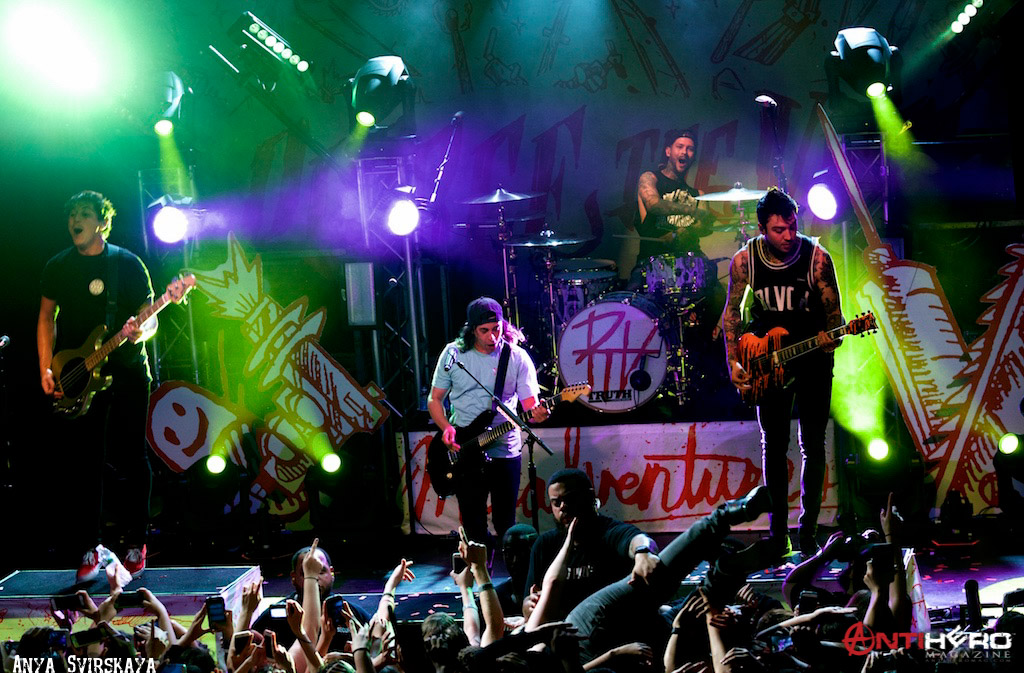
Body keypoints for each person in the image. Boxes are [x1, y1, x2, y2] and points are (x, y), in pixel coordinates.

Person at [37, 190, 158, 582]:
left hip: (126, 371)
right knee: (84, 462)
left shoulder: (127, 264)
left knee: (132, 456)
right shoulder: (58, 266)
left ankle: (136, 543)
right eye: (72, 214)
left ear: (103, 222)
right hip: (78, 376)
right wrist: (45, 368)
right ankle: (89, 547)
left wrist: (139, 333)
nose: (76, 220)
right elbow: (46, 316)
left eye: (85, 213)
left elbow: (150, 318)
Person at [722, 187, 843, 556]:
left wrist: (832, 337)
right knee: (773, 446)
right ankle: (778, 534)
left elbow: (835, 318)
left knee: (813, 444)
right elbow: (731, 313)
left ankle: (809, 532)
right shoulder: (745, 260)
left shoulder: (817, 258)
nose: (789, 235)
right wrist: (733, 361)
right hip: (768, 359)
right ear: (761, 229)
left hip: (811, 357)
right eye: (779, 229)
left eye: (792, 226)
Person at [427, 297, 549, 554]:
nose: (492, 336)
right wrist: (446, 427)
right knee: (473, 525)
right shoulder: (453, 354)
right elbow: (435, 399)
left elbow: (530, 407)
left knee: (506, 523)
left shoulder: (516, 357)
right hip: (464, 447)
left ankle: (513, 574)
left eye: (497, 329)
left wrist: (538, 415)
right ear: (472, 330)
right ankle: (479, 575)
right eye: (484, 330)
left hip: (504, 448)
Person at [522, 469, 660, 621]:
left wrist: (643, 552)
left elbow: (638, 539)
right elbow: (528, 599)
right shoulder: (545, 545)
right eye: (556, 502)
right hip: (561, 630)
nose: (563, 507)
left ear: (589, 496)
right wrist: (529, 605)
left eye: (570, 499)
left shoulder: (610, 533)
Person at [628, 129, 716, 286]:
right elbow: (654, 204)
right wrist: (691, 211)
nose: (684, 152)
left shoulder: (699, 194)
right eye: (680, 147)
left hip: (689, 267)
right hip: (653, 265)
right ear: (668, 151)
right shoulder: (650, 178)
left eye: (690, 149)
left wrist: (685, 232)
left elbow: (704, 227)